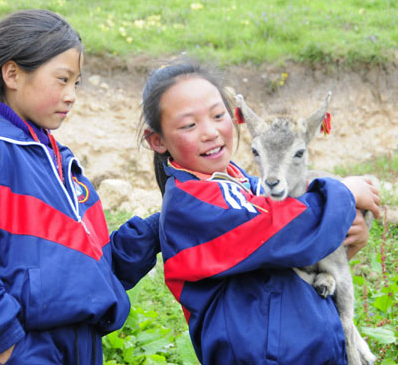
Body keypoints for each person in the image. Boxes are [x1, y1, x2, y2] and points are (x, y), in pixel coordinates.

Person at [0, 9, 160, 365]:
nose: (72, 94)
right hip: (26, 350)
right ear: (13, 74)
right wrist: (8, 346)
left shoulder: (61, 162)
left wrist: (156, 231)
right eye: (62, 79)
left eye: (76, 83)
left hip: (82, 349)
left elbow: (95, 265)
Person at [140, 60, 381, 365]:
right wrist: (343, 197)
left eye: (218, 115)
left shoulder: (245, 186)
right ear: (157, 140)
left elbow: (296, 245)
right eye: (190, 124)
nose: (211, 132)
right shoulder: (194, 207)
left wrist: (344, 235)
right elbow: (284, 231)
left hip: (310, 347)